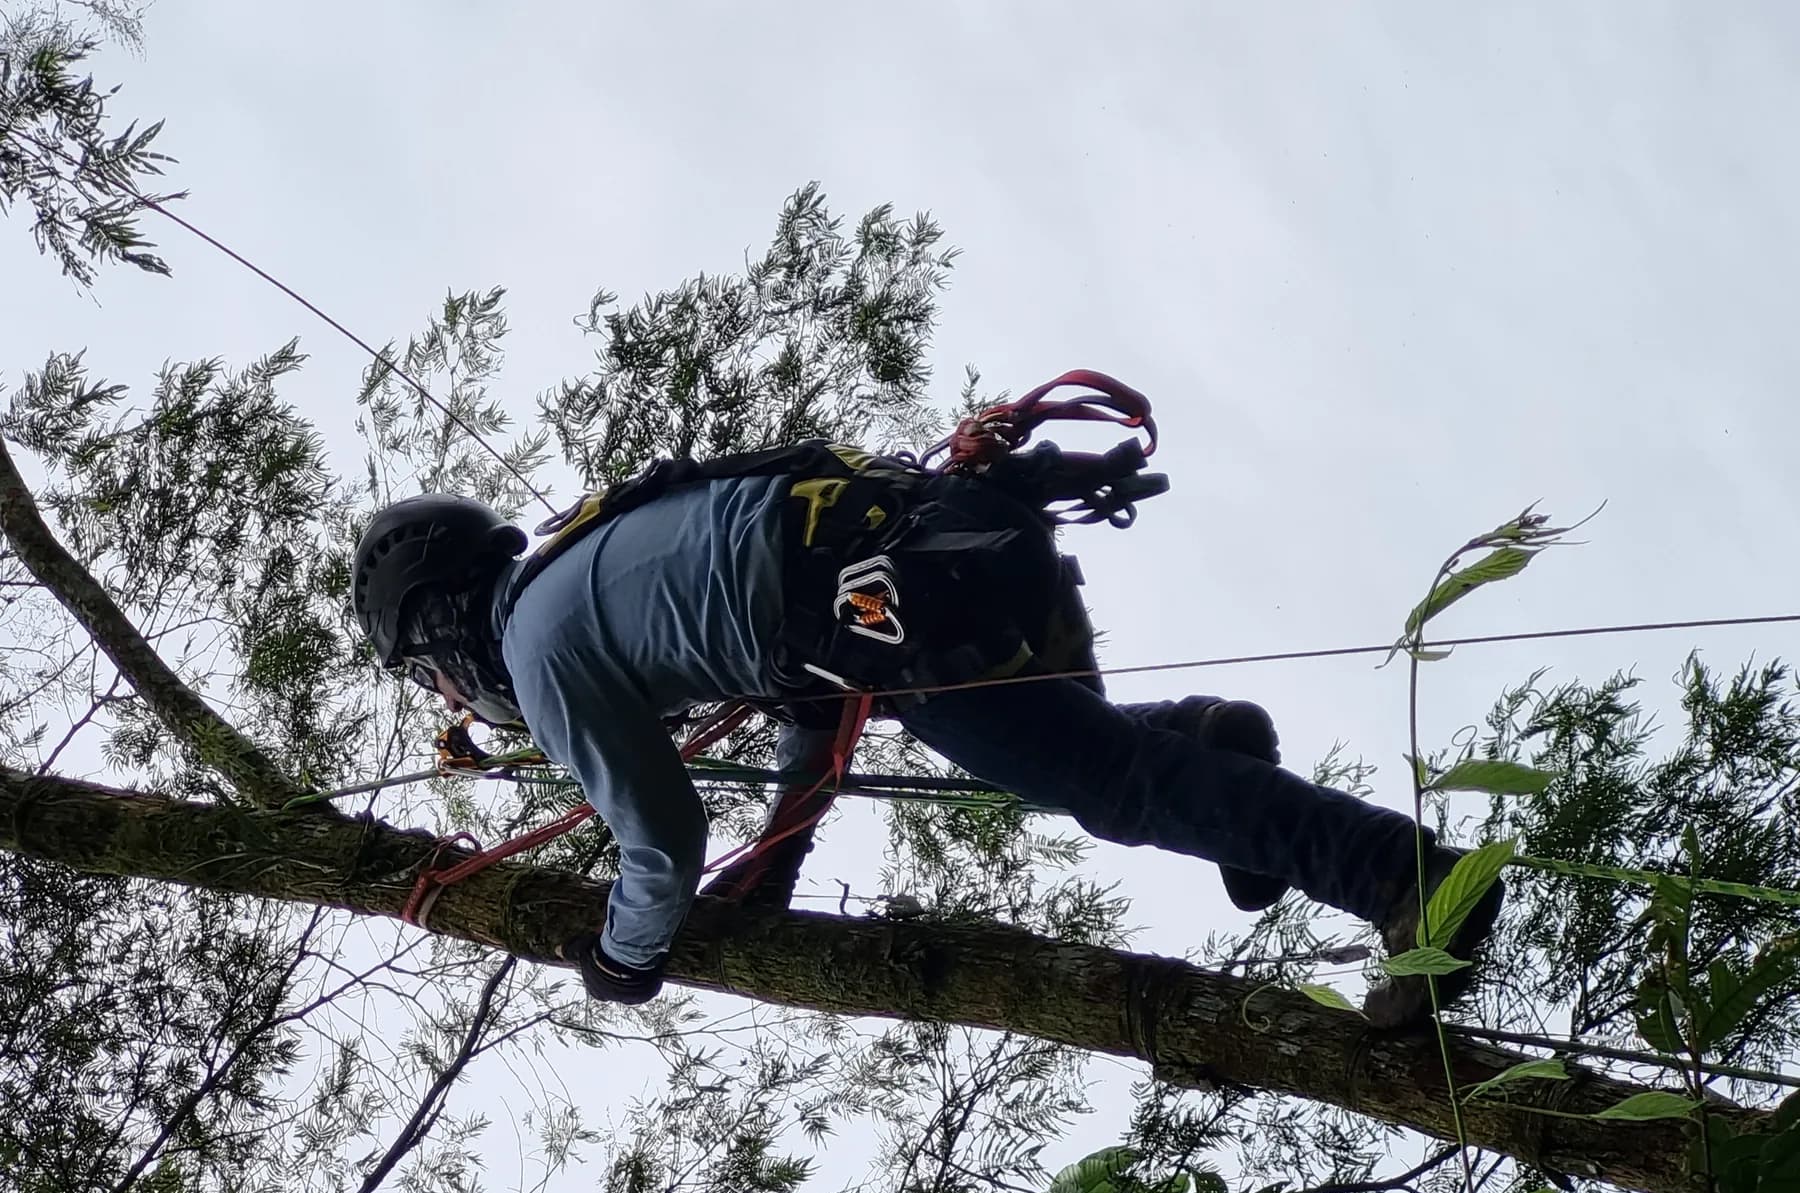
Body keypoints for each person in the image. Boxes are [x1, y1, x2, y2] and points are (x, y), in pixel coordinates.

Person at [351, 423, 1502, 1029]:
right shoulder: (593, 565)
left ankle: (1406, 877)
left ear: (444, 635)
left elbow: (658, 839)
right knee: (1083, 764)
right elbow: (815, 710)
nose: (459, 705)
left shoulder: (544, 654)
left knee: (1113, 786)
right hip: (939, 548)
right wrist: (779, 862)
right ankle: (1210, 746)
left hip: (903, 601)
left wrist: (622, 957)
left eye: (439, 684)